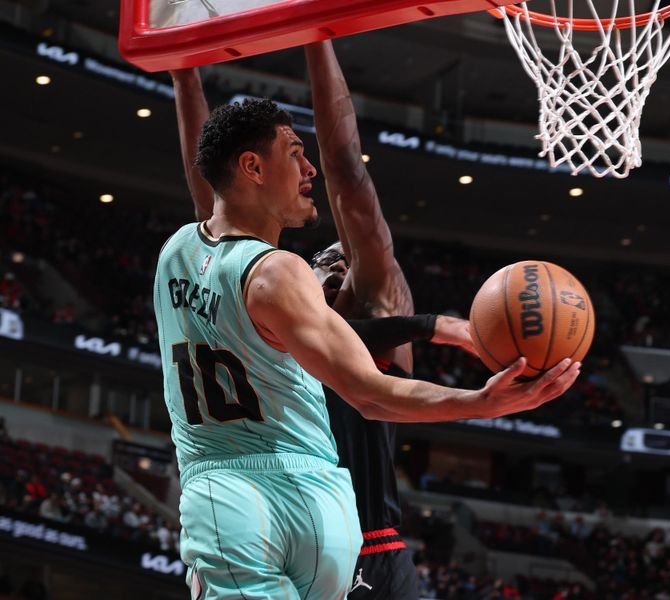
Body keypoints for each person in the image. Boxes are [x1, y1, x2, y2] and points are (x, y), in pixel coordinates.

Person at [162, 81, 580, 600]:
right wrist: (481, 401)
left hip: (236, 499)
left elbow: (210, 191)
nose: (310, 170)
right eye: (296, 154)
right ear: (252, 167)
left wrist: (185, 75)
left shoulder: (176, 252)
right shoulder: (278, 275)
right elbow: (369, 391)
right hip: (328, 511)